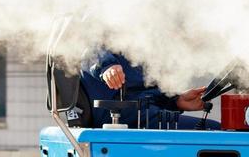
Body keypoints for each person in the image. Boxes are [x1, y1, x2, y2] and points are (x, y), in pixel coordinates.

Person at [79, 50, 220, 130]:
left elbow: (141, 89)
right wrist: (107, 67)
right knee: (217, 134)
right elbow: (87, 46)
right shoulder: (107, 17)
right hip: (126, 117)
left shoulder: (140, 35)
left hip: (144, 114)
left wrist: (175, 100)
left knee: (219, 131)